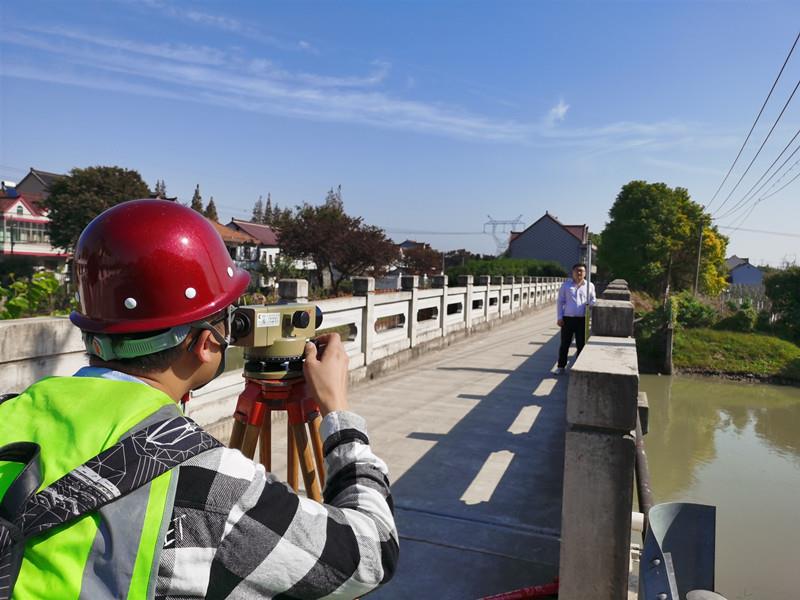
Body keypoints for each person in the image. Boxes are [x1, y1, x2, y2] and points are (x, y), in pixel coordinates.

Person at [0, 199, 398, 599]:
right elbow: (372, 553)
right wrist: (337, 410)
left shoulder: (9, 413)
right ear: (208, 343)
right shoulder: (209, 479)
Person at [555, 263, 596, 375]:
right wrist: (559, 317)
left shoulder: (590, 286)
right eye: (577, 271)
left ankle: (578, 367)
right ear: (572, 272)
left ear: (585, 273)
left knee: (581, 344)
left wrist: (590, 304)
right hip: (567, 319)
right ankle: (561, 366)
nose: (579, 273)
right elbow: (560, 302)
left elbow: (593, 300)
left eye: (581, 271)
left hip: (582, 319)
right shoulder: (566, 286)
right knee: (564, 344)